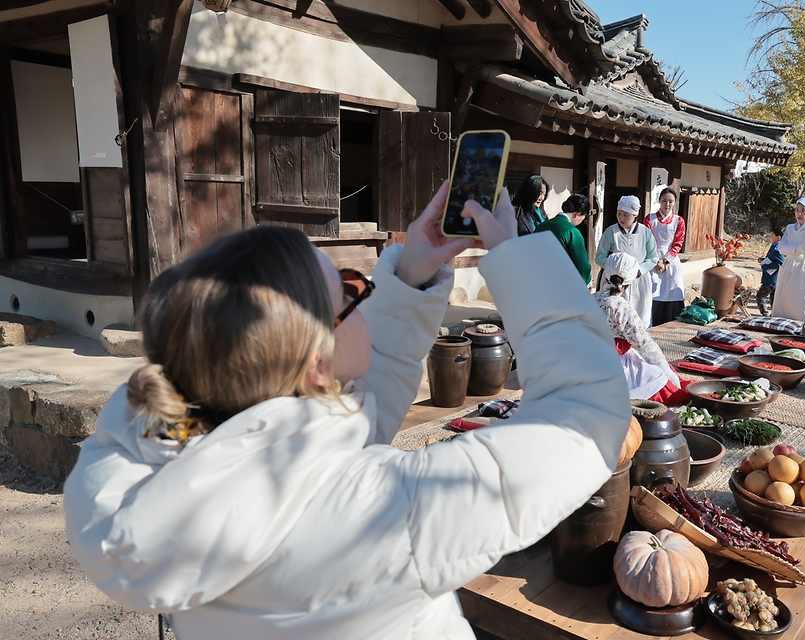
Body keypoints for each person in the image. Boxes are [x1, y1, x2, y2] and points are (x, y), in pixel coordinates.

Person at [62, 181, 631, 640]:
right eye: (352, 291)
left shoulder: (175, 452)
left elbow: (331, 430)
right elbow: (586, 411)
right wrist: (517, 258)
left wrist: (408, 278)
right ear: (316, 363)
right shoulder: (389, 511)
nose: (366, 295)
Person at [595, 253, 689, 405]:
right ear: (632, 279)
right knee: (660, 379)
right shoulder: (621, 307)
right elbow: (646, 346)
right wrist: (671, 376)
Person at [595, 195, 658, 327]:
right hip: (616, 283)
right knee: (614, 320)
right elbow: (600, 257)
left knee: (639, 318)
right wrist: (614, 270)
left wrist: (638, 270)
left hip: (639, 281)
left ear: (635, 215)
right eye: (619, 214)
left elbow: (653, 258)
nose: (621, 218)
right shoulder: (611, 232)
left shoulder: (645, 232)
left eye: (626, 215)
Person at [771, 197, 805, 321]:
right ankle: (782, 324)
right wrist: (797, 248)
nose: (799, 214)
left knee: (804, 299)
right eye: (797, 210)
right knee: (785, 297)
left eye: (803, 210)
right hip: (789, 265)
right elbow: (781, 247)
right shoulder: (790, 228)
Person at [644, 187, 686, 326]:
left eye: (670, 201)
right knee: (652, 292)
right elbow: (646, 240)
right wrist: (656, 260)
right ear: (659, 201)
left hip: (671, 261)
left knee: (672, 291)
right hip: (652, 260)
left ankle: (672, 325)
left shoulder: (679, 221)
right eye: (664, 201)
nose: (667, 204)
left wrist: (665, 261)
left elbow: (678, 243)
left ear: (675, 203)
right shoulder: (650, 219)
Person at [535, 193, 592, 285]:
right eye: (582, 218)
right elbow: (582, 265)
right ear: (578, 214)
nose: (581, 222)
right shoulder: (572, 232)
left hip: (539, 280)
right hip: (562, 283)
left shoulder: (541, 226)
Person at [755, 227, 785, 316]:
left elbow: (780, 262)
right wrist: (763, 260)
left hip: (772, 278)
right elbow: (773, 259)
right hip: (772, 278)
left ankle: (765, 314)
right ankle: (774, 315)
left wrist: (767, 266)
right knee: (773, 299)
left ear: (778, 238)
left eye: (772, 235)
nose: (770, 237)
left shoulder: (778, 249)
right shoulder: (774, 246)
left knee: (760, 296)